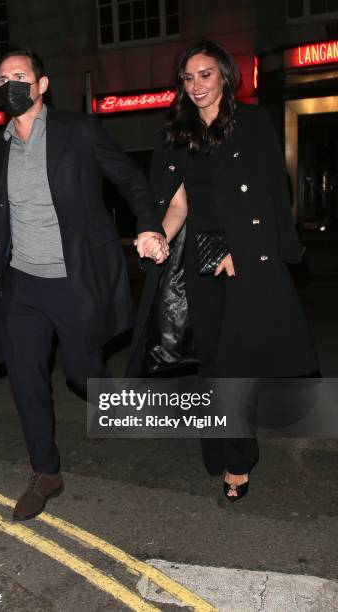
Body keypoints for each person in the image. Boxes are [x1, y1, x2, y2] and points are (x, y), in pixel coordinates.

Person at [126, 41, 319, 501]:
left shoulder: (251, 123)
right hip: (199, 257)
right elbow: (178, 202)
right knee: (210, 360)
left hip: (244, 255)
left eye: (206, 75)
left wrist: (248, 251)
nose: (197, 86)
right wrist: (160, 236)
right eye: (188, 78)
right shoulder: (177, 131)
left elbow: (274, 193)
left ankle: (237, 459)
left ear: (225, 76)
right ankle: (218, 445)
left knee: (235, 363)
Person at [0, 48, 168, 521]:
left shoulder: (78, 131)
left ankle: (107, 395)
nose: (11, 85)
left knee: (80, 375)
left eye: (20, 76)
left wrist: (149, 225)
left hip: (74, 279)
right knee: (26, 380)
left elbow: (129, 179)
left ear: (41, 84)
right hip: (23, 285)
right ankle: (46, 472)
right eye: (3, 78)